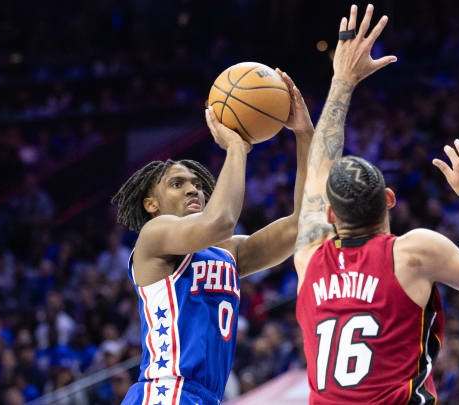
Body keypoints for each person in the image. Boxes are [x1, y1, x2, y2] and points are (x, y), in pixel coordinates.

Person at [293, 4, 459, 404]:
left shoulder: (308, 258)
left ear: (331, 216)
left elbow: (318, 174)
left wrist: (341, 82)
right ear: (389, 200)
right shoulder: (413, 253)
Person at [113, 74, 313, 405]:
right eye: (177, 184)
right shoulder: (154, 237)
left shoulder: (227, 253)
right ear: (151, 204)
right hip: (165, 392)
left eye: (197, 183)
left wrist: (305, 135)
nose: (194, 188)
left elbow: (302, 224)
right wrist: (237, 146)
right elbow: (220, 221)